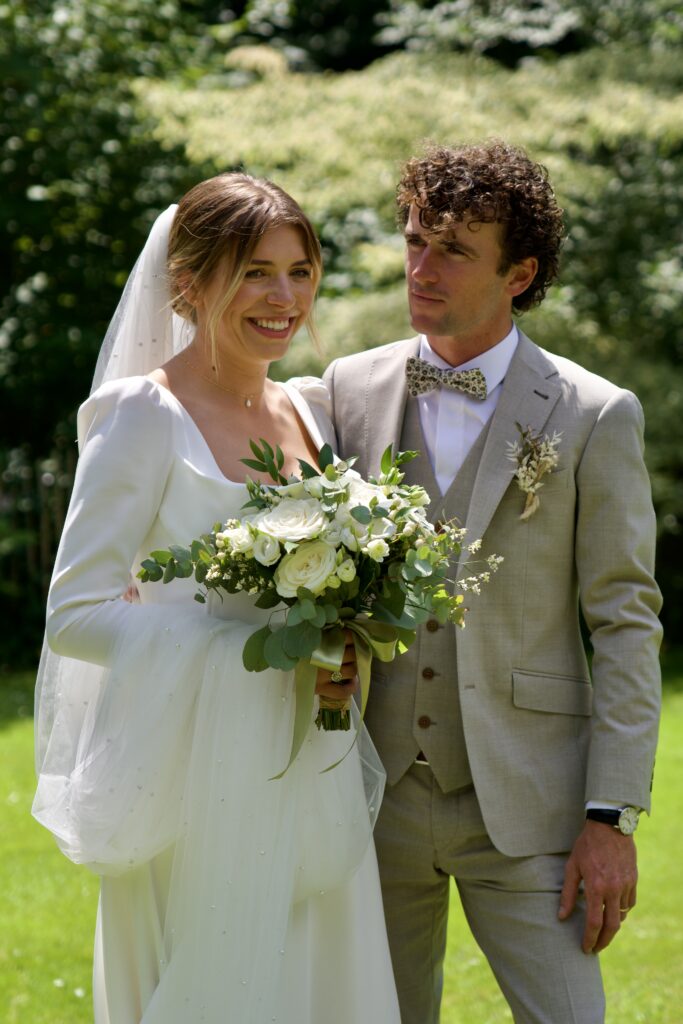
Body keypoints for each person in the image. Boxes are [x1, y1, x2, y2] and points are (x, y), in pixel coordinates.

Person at [32, 173, 400, 1023]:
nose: (284, 298)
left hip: (307, 767)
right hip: (191, 781)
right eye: (254, 273)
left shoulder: (307, 413)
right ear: (188, 284)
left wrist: (341, 646)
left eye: (299, 271)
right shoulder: (142, 414)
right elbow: (76, 615)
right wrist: (246, 659)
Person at [323, 140, 662, 1024]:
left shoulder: (594, 414)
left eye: (453, 250)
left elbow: (625, 622)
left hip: (529, 803)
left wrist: (609, 817)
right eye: (414, 241)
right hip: (370, 798)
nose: (421, 268)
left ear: (519, 274)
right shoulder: (346, 390)